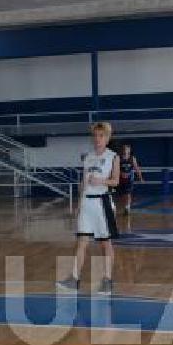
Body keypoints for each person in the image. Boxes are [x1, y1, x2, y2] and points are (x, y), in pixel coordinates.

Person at [57, 122, 120, 296]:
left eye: (102, 136)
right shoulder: (88, 157)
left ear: (107, 138)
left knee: (105, 243)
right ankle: (74, 279)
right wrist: (79, 203)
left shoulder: (113, 157)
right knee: (81, 242)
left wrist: (102, 182)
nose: (98, 139)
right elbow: (84, 182)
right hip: (87, 204)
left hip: (103, 203)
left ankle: (107, 280)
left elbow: (116, 181)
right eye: (96, 135)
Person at [116, 143, 143, 215]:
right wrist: (119, 173)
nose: (125, 150)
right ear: (122, 150)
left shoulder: (132, 158)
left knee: (128, 194)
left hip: (129, 179)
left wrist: (140, 178)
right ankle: (124, 206)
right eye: (124, 149)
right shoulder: (119, 158)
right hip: (121, 179)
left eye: (127, 149)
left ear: (129, 150)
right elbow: (115, 169)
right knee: (122, 195)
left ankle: (127, 208)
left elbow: (137, 168)